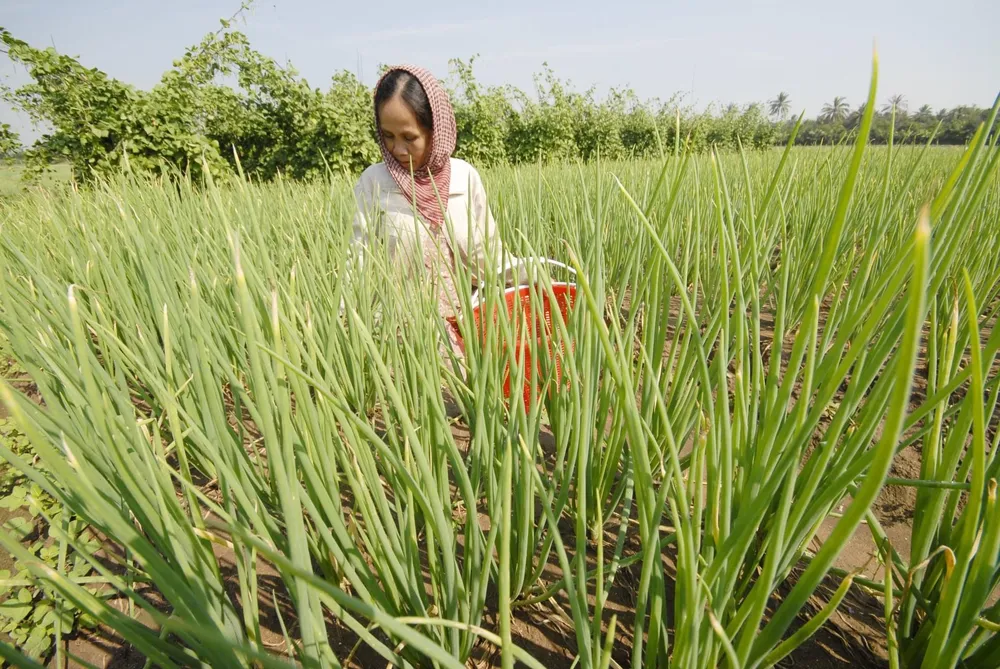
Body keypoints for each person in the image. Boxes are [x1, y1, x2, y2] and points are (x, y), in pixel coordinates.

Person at [348, 64, 523, 359]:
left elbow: (491, 255)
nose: (398, 149)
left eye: (409, 137)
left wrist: (533, 278)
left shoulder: (464, 179)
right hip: (398, 342)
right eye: (388, 136)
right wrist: (343, 322)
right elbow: (358, 262)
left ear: (435, 129)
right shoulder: (374, 183)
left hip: (466, 335)